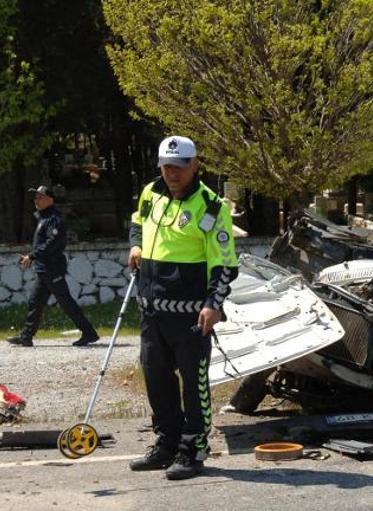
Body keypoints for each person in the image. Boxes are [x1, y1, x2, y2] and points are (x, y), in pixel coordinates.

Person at [127, 135, 239, 480]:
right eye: (166, 167)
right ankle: (167, 443)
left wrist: (213, 305)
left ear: (195, 166)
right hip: (151, 310)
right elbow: (137, 222)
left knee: (194, 384)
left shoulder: (210, 206)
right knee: (156, 378)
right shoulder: (151, 192)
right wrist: (134, 245)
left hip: (191, 315)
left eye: (179, 167)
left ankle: (193, 449)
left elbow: (225, 264)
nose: (172, 173)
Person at [6, 185, 99, 348]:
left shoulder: (53, 219)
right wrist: (33, 257)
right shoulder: (44, 218)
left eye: (40, 197)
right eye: (35, 197)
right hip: (44, 269)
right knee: (35, 301)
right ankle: (26, 336)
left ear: (51, 200)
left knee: (66, 303)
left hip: (52, 268)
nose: (37, 200)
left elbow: (51, 243)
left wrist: (32, 256)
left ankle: (89, 333)